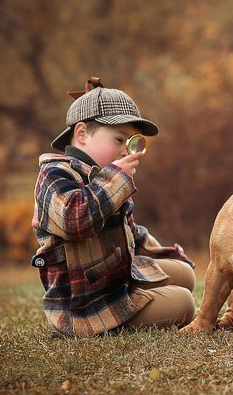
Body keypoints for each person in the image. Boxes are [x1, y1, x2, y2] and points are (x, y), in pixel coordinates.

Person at [31, 77, 196, 337]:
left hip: (114, 278)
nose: (126, 151)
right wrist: (115, 180)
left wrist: (164, 253)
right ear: (82, 134)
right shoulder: (54, 175)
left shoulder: (106, 177)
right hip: (85, 303)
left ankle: (140, 295)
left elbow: (129, 230)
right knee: (184, 304)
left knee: (185, 274)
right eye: (119, 140)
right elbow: (74, 220)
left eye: (132, 143)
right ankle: (109, 323)